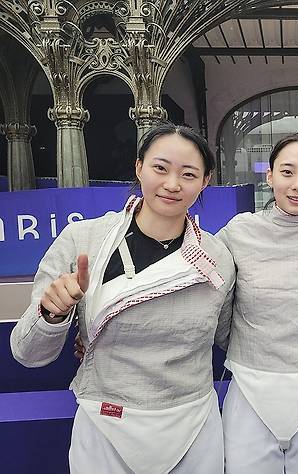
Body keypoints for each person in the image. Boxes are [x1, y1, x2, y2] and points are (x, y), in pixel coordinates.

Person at [11, 123, 235, 473]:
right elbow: (27, 353)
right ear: (138, 167)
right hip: (105, 422)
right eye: (160, 168)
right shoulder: (84, 241)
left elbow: (227, 335)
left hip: (192, 423)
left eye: (188, 174)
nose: (172, 184)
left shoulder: (217, 257)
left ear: (206, 180)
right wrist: (51, 314)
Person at [217, 132, 298, 474]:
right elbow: (203, 295)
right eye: (287, 172)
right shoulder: (238, 232)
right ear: (270, 175)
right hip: (249, 390)